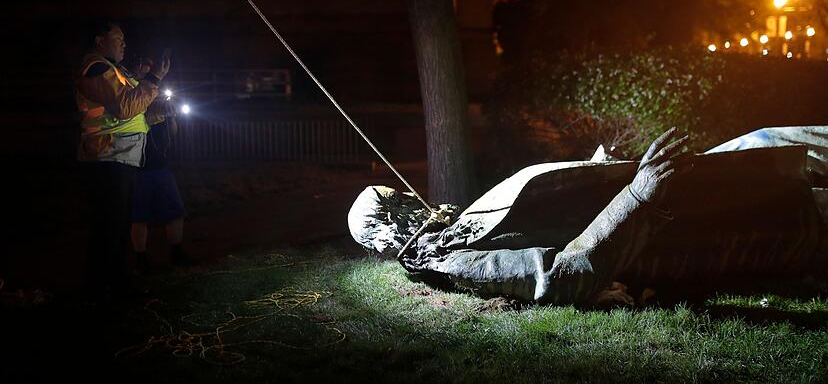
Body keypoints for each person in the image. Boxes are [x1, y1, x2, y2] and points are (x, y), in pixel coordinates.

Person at [348, 126, 828, 305]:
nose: (417, 200)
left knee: (767, 140)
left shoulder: (459, 225)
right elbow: (557, 277)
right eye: (402, 203)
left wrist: (595, 173)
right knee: (800, 204)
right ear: (389, 227)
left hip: (699, 196)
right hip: (694, 231)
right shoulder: (452, 256)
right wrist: (637, 194)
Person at [75, 20, 170, 302]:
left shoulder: (114, 70)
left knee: (117, 226)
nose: (124, 44)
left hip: (120, 157)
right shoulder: (96, 67)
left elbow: (136, 114)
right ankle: (102, 288)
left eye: (124, 39)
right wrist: (153, 80)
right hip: (106, 157)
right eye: (118, 39)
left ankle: (114, 283)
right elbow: (125, 107)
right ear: (99, 40)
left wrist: (162, 111)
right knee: (109, 226)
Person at [129, 58, 190, 273]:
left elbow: (172, 133)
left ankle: (176, 253)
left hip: (161, 165)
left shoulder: (158, 96)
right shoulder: (131, 92)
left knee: (174, 211)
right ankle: (141, 259)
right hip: (138, 166)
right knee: (139, 216)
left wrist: (171, 115)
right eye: (144, 67)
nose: (149, 71)